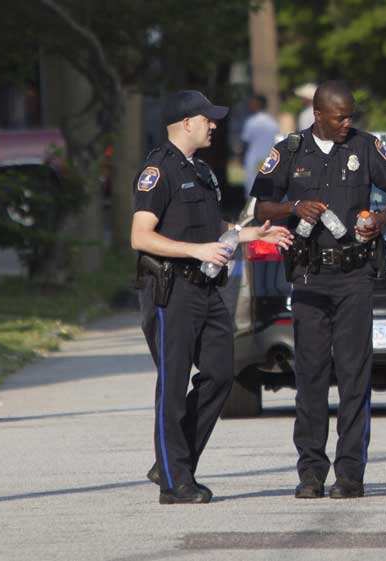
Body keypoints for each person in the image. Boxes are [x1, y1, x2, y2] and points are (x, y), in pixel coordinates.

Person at [131, 90, 293, 504]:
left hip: (206, 288)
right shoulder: (158, 170)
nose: (215, 125)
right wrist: (196, 251)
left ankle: (172, 458)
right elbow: (140, 235)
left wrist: (249, 233)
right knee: (172, 384)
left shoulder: (202, 171)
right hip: (170, 290)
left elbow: (208, 225)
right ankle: (175, 482)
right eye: (208, 119)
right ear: (187, 123)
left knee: (221, 373)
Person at [252, 81, 386, 499]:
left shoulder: (365, 147)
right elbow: (260, 207)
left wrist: (382, 218)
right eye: (340, 117)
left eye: (351, 116)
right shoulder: (290, 151)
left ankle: (351, 474)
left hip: (355, 276)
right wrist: (293, 207)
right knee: (311, 375)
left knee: (355, 375)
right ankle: (310, 473)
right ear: (318, 115)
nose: (347, 123)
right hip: (309, 277)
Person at [239, 94, 280, 197]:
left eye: (252, 103)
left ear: (257, 104)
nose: (250, 105)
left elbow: (245, 142)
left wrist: (241, 157)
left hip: (253, 160)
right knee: (267, 189)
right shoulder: (273, 122)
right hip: (269, 160)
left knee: (252, 188)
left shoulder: (251, 122)